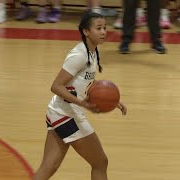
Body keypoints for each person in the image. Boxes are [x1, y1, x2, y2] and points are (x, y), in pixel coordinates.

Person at [33, 12, 127, 180]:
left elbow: (84, 82)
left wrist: (113, 101)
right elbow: (56, 86)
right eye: (98, 28)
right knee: (100, 162)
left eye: (105, 28)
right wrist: (82, 103)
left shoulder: (92, 51)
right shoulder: (79, 55)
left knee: (49, 166)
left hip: (58, 112)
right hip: (66, 115)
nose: (104, 31)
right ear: (86, 31)